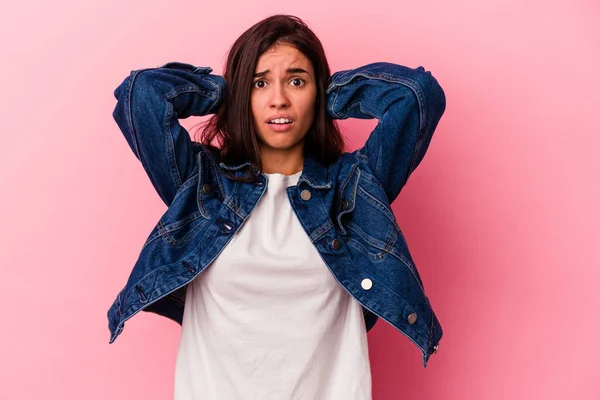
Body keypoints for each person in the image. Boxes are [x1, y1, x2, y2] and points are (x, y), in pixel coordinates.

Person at [107, 14, 445, 400]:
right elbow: (141, 94)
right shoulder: (202, 186)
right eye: (260, 82)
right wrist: (226, 91)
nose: (279, 98)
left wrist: (328, 95)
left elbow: (418, 94)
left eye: (297, 81)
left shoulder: (351, 189)